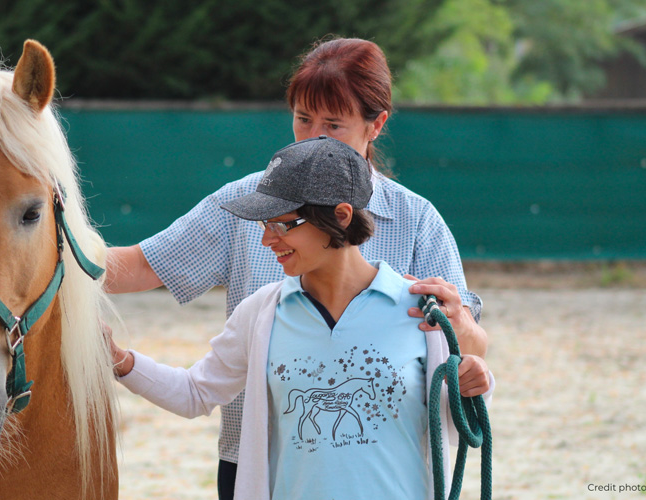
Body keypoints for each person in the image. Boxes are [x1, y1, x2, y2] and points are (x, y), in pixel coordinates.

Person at [105, 37, 488, 500]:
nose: (313, 139)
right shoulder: (249, 212)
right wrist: (42, 259)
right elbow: (146, 268)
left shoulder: (417, 223)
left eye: (333, 124)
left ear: (375, 125)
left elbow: (462, 356)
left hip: (389, 471)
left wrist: (465, 343)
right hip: (258, 465)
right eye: (303, 119)